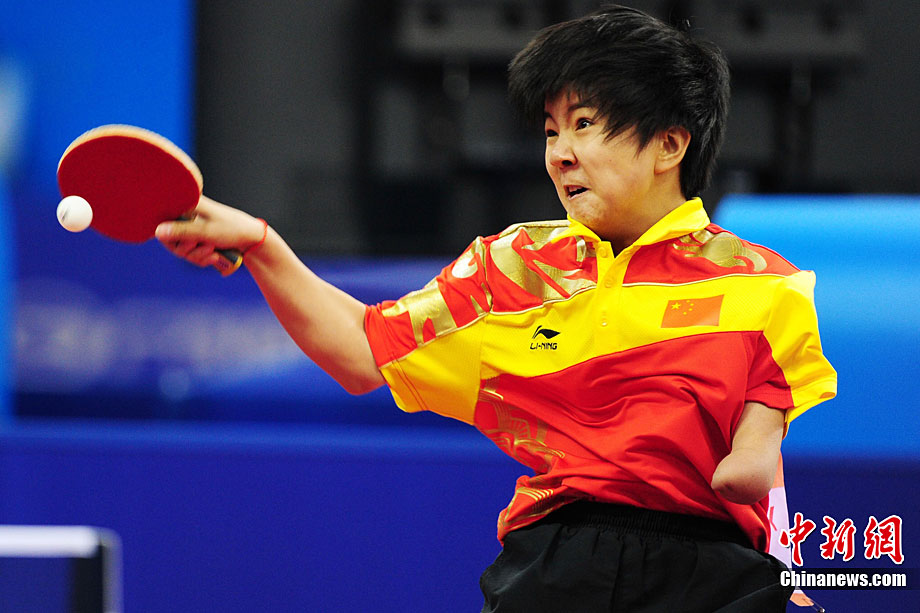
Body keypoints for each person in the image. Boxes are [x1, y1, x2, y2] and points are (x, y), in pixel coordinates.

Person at [156, 4, 836, 611]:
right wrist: (264, 247)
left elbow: (761, 464)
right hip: (557, 568)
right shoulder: (510, 269)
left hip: (708, 574)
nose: (560, 154)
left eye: (584, 125)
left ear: (670, 143)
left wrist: (786, 575)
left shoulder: (761, 285)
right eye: (550, 131)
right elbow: (363, 350)